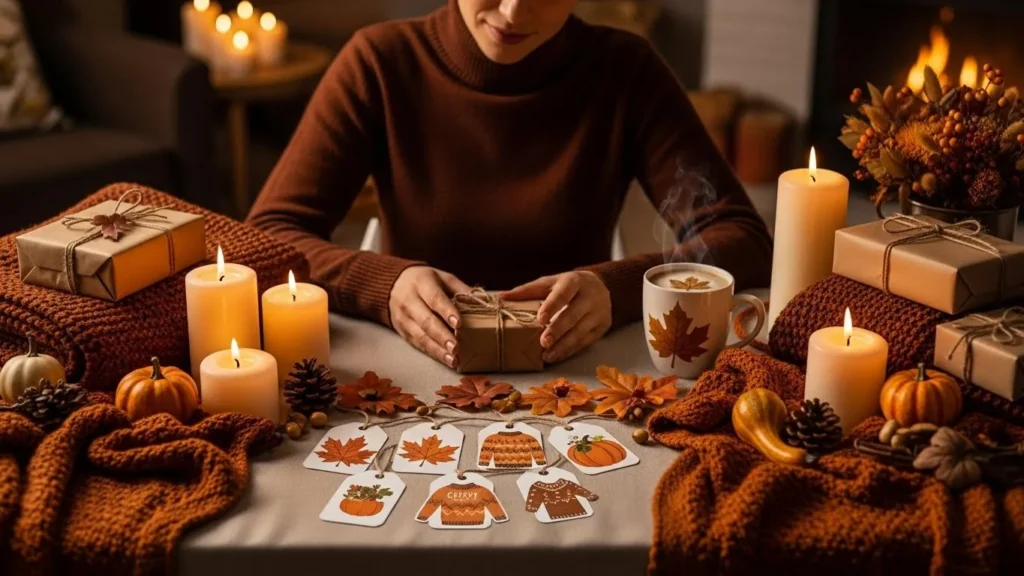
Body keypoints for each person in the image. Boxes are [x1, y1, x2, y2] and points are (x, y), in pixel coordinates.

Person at [247, 0, 772, 369]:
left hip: (580, 374)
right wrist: (385, 286)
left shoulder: (626, 70)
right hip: (411, 372)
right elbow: (266, 237)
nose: (515, 11)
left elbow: (743, 238)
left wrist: (619, 289)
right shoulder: (380, 62)